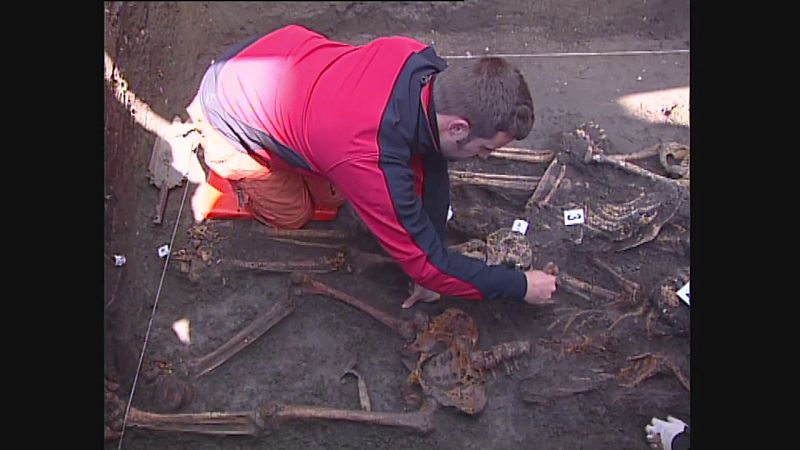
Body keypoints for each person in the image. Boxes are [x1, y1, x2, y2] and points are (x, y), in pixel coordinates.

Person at [177, 24, 557, 307]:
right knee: (294, 212)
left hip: (278, 58)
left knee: (334, 190)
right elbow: (427, 266)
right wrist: (522, 286)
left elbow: (434, 157)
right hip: (226, 105)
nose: (486, 157)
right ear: (458, 126)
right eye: (486, 148)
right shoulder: (368, 157)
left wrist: (434, 240)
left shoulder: (418, 62)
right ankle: (225, 156)